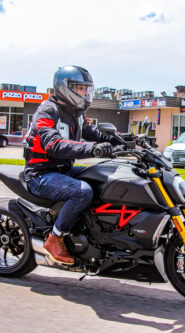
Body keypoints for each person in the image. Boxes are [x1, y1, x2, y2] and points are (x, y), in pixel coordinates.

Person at [23, 65, 122, 265]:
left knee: (106, 177)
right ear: (64, 87)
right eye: (79, 88)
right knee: (82, 191)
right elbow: (54, 145)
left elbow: (95, 134)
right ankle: (55, 238)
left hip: (63, 171)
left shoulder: (76, 112)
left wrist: (126, 140)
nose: (84, 93)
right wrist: (93, 149)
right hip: (40, 175)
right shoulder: (47, 112)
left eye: (86, 89)